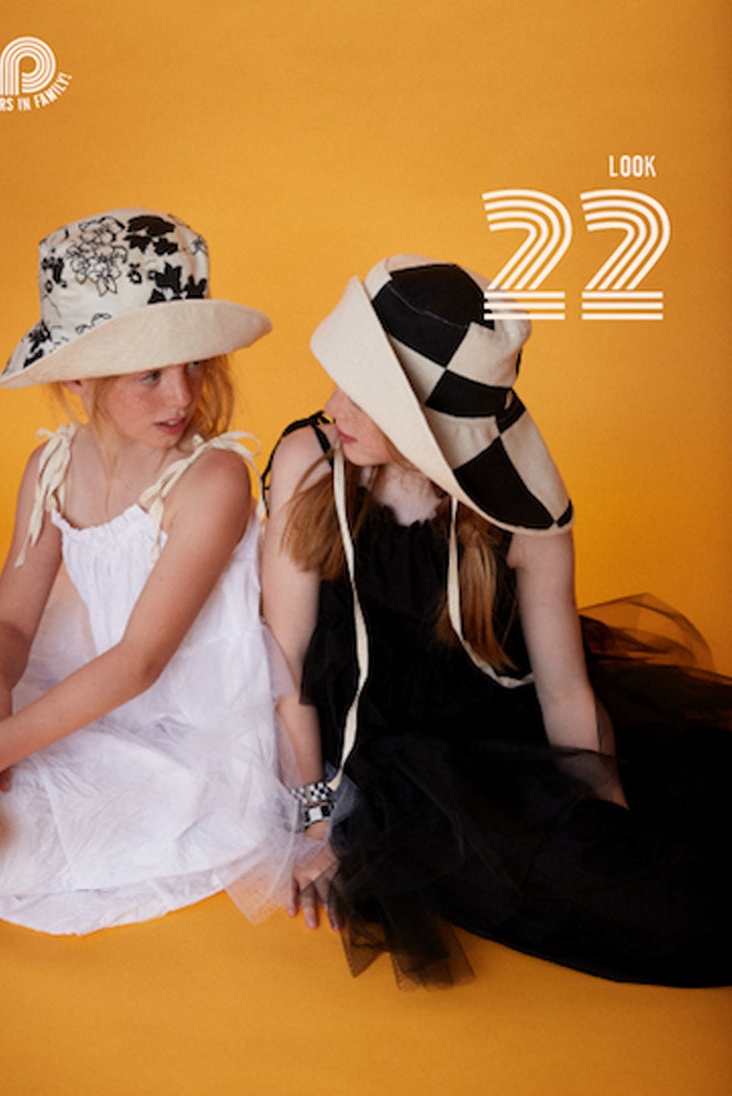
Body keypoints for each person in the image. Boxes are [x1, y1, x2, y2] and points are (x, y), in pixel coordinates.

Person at [262, 254, 732, 988]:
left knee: (698, 790)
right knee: (675, 909)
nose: (334, 407)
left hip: (502, 723)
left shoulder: (516, 515)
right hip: (388, 764)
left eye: (365, 398)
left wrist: (608, 814)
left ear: (430, 426)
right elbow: (286, 663)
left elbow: (565, 691)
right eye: (340, 383)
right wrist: (315, 819)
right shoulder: (312, 462)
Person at [0, 207, 294, 934]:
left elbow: (141, 662)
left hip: (189, 717)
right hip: (91, 674)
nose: (182, 395)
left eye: (194, 366)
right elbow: (11, 620)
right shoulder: (53, 465)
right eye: (150, 375)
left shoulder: (212, 479)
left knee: (16, 831)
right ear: (78, 379)